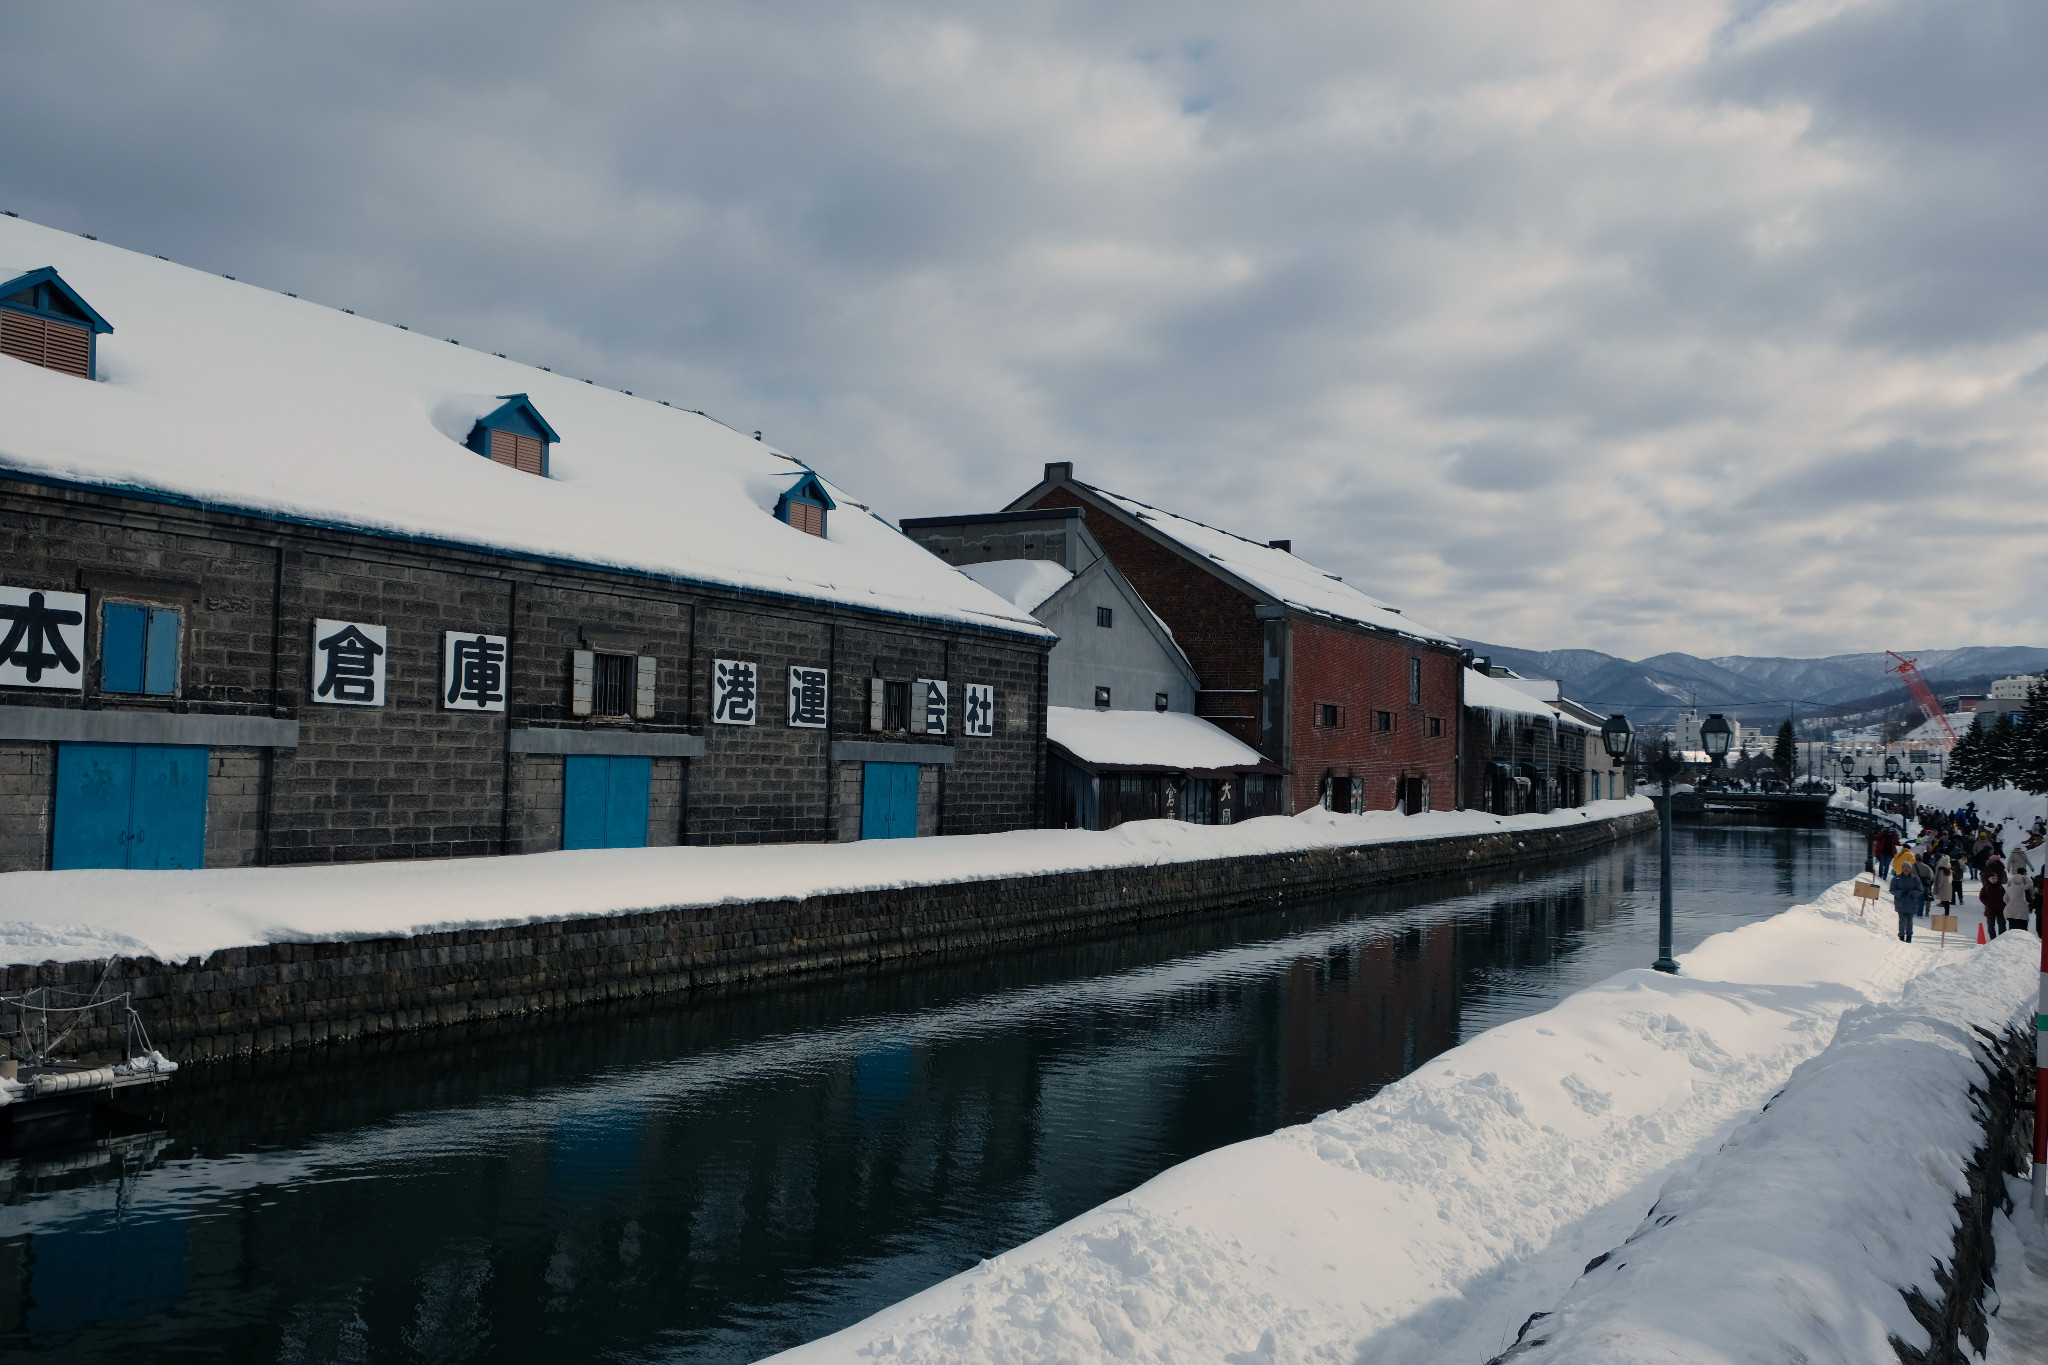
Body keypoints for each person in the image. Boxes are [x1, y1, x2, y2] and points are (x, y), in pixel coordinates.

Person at [1893, 859, 1927, 942]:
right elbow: (1892, 889)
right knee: (1901, 921)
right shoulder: (1896, 879)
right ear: (1902, 868)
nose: (1906, 869)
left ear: (1911, 869)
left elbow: (1920, 890)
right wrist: (1901, 892)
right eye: (1904, 867)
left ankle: (1909, 936)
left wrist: (1911, 893)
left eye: (1908, 867)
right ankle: (1901, 936)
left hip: (1911, 904)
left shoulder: (1915, 879)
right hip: (1900, 903)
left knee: (1909, 921)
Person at [1981, 854, 2008, 939]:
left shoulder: (2000, 886)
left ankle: (2001, 939)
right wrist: (1988, 903)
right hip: (1990, 908)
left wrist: (2003, 903)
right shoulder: (1986, 887)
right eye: (1992, 878)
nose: (1994, 880)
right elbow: (1982, 897)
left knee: (2001, 924)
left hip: (2000, 908)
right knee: (1990, 925)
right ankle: (1993, 939)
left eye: (1995, 878)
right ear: (1988, 879)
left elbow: (2005, 895)